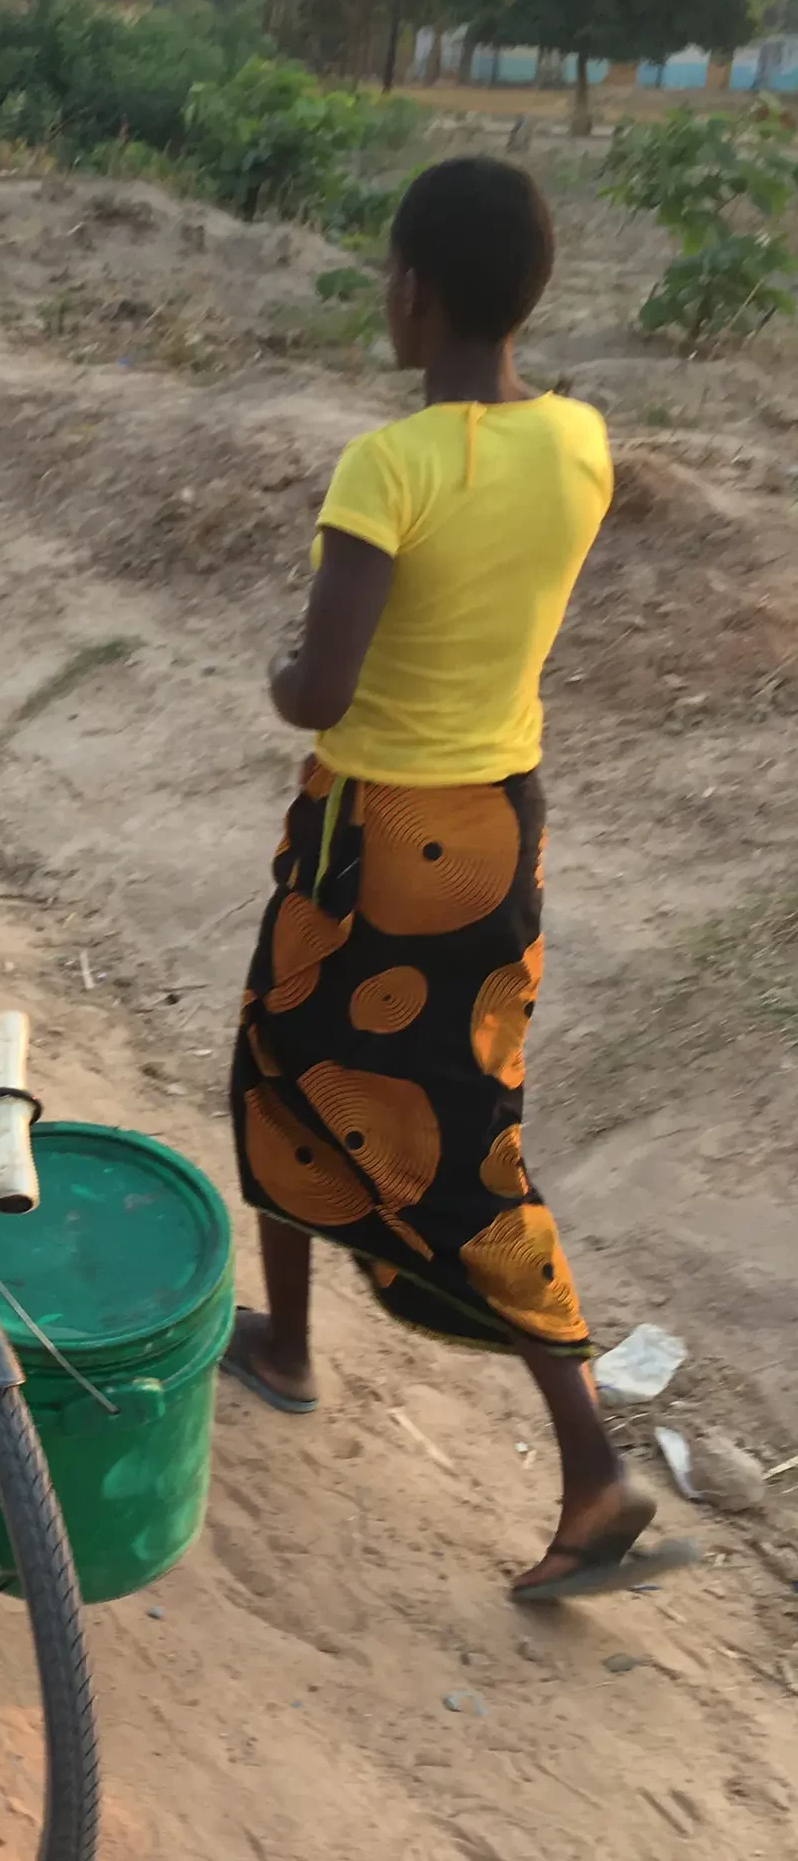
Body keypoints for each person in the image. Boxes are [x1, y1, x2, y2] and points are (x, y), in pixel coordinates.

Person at [224, 157, 696, 1604]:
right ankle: (305, 1347)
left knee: (315, 1084)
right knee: (437, 1106)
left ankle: (587, 1461)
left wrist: (281, 674)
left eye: (388, 273)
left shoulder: (390, 468)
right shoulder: (582, 442)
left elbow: (324, 689)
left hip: (375, 844)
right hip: (500, 830)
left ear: (415, 291)